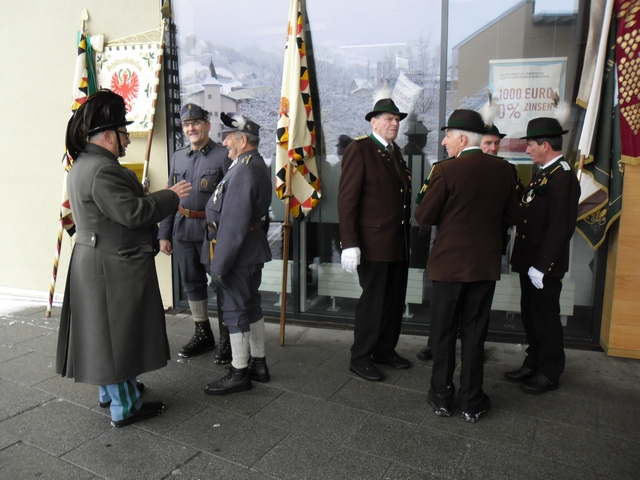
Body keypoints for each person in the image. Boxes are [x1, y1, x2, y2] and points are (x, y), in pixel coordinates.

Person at [56, 90, 191, 427]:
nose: (127, 139)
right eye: (123, 133)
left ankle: (113, 392)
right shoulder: (103, 170)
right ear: (106, 136)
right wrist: (168, 197)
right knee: (118, 337)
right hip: (112, 265)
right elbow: (133, 213)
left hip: (98, 261)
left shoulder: (84, 165)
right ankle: (125, 407)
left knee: (106, 336)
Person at [414, 109, 518, 423]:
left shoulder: (446, 171)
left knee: (443, 332)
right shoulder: (505, 170)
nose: (444, 142)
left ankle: (442, 396)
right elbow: (512, 216)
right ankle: (472, 400)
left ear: (462, 138)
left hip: (448, 267)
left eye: (447, 136)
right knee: (474, 333)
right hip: (484, 266)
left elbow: (424, 216)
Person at [338, 98, 413, 382]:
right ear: (374, 122)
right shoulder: (361, 150)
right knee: (373, 302)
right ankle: (360, 357)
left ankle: (384, 349)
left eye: (397, 120)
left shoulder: (395, 152)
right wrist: (349, 242)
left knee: (394, 300)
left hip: (398, 240)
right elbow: (347, 201)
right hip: (373, 242)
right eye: (389, 119)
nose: (394, 124)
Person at [505, 117, 580, 394]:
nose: (527, 150)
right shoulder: (544, 173)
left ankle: (549, 371)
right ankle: (533, 361)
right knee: (531, 316)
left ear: (545, 145)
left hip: (543, 266)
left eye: (530, 145)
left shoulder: (563, 176)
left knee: (546, 319)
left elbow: (560, 227)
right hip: (530, 262)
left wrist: (542, 266)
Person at [202, 112, 272, 395]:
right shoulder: (251, 164)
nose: (225, 143)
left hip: (237, 255)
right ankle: (258, 364)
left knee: (235, 311)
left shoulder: (244, 168)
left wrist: (220, 264)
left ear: (243, 140)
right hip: (249, 251)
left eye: (229, 138)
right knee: (251, 306)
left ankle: (239, 372)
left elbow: (232, 223)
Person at [158, 104, 233, 362]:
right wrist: (164, 234)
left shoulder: (224, 156)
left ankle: (227, 338)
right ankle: (203, 332)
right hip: (183, 229)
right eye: (186, 125)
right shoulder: (178, 157)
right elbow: (171, 197)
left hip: (213, 233)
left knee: (221, 283)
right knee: (191, 282)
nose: (191, 128)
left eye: (196, 123)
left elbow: (232, 200)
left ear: (207, 125)